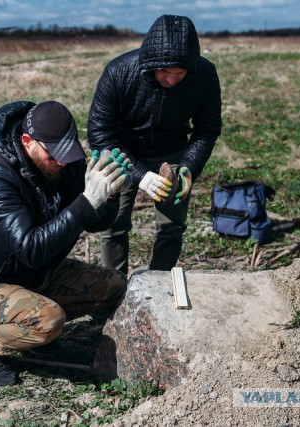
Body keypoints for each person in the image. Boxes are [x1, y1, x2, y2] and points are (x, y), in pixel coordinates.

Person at [0, 100, 131, 388]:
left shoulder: (63, 161)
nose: (61, 162)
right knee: (48, 319)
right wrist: (87, 201)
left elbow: (95, 222)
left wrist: (108, 196)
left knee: (116, 286)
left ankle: (32, 338)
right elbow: (30, 249)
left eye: (67, 154)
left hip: (37, 275)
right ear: (27, 141)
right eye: (53, 156)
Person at [87, 14, 222, 274]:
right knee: (113, 225)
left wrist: (188, 167)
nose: (171, 80)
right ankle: (113, 289)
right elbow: (100, 132)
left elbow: (207, 130)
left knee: (171, 226)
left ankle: (159, 282)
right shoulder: (119, 71)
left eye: (179, 73)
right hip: (121, 155)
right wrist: (138, 175)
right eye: (164, 72)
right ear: (150, 62)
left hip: (171, 153)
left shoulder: (204, 75)